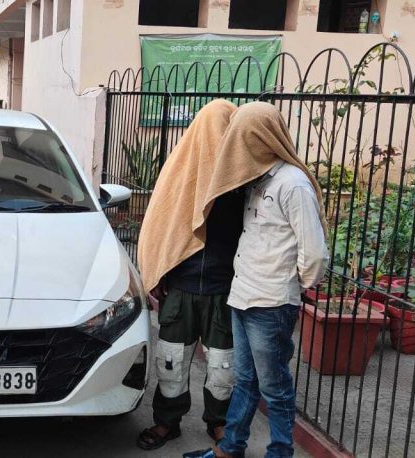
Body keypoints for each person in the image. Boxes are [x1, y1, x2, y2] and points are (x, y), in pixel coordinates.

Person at [185, 102, 328, 458]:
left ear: (263, 139)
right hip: (242, 296)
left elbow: (314, 253)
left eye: (243, 139)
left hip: (271, 304)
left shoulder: (293, 184)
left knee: (274, 388)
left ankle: (280, 452)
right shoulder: (256, 180)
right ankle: (230, 448)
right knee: (245, 381)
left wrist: (291, 287)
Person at [135, 99, 243, 450]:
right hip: (181, 286)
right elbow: (159, 222)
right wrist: (156, 272)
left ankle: (219, 422)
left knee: (223, 365)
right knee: (171, 359)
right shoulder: (180, 173)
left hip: (223, 287)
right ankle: (167, 422)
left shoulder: (241, 179)